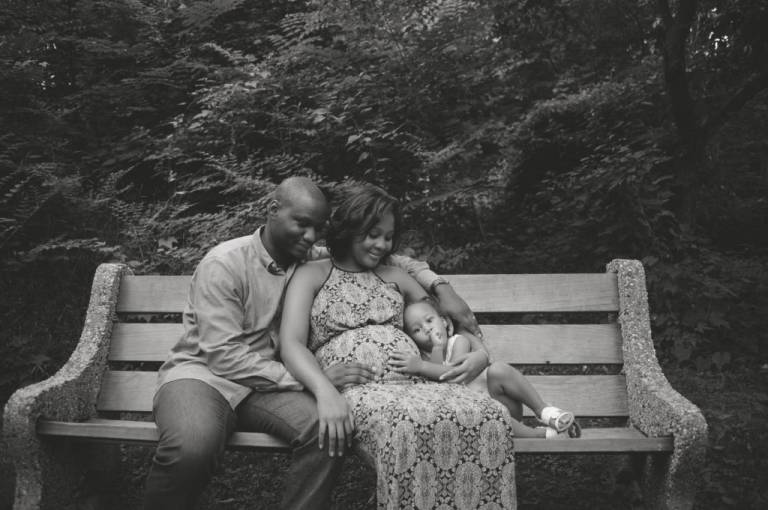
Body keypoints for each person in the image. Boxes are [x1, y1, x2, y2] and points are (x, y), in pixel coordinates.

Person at [143, 176, 482, 510]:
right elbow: (223, 356)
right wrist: (317, 382)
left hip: (266, 389)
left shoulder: (308, 255)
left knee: (327, 429)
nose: (309, 236)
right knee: (191, 446)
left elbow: (394, 260)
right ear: (272, 209)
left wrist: (441, 288)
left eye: (317, 228)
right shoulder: (225, 264)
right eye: (302, 224)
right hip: (205, 377)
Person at [278, 184, 517, 509]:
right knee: (404, 423)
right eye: (373, 234)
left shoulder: (396, 276)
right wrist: (324, 390)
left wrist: (480, 355)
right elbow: (291, 344)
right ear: (349, 229)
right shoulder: (312, 274)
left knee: (487, 414)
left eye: (389, 237)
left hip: (421, 383)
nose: (382, 244)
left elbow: (448, 323)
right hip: (360, 389)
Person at [390, 298, 582, 439]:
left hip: (501, 400)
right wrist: (429, 356)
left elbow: (449, 375)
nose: (427, 329)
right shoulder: (424, 358)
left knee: (498, 369)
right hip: (487, 419)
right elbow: (439, 386)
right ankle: (543, 435)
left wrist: (424, 363)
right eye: (417, 330)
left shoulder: (459, 341)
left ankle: (545, 411)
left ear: (445, 322)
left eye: (429, 320)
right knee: (492, 413)